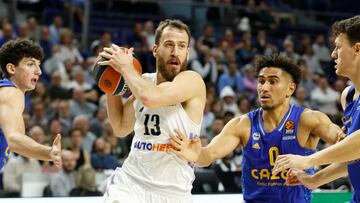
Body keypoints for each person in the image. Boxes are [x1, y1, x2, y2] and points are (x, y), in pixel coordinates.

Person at [170, 55, 343, 202]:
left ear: (290, 89)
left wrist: (316, 173)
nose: (264, 88)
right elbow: (208, 155)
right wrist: (194, 153)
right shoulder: (243, 124)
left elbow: (345, 145)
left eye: (273, 81)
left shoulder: (308, 119)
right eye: (261, 81)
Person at [98, 19, 206, 203]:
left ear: (188, 52)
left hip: (174, 192)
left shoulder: (192, 81)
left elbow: (151, 98)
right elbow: (120, 128)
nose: (175, 52)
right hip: (131, 182)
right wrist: (113, 80)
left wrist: (125, 68)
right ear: (155, 50)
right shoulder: (144, 82)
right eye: (169, 45)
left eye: (181, 46)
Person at [272, 15, 360, 203]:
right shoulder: (349, 96)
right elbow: (354, 156)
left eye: (338, 47)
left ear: (357, 48)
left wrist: (309, 160)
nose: (333, 54)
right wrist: (314, 180)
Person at [0, 39, 62, 169]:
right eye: (30, 64)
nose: (38, 71)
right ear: (11, 68)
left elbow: (18, 145)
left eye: (39, 65)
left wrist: (48, 154)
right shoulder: (12, 93)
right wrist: (48, 152)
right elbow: (13, 140)